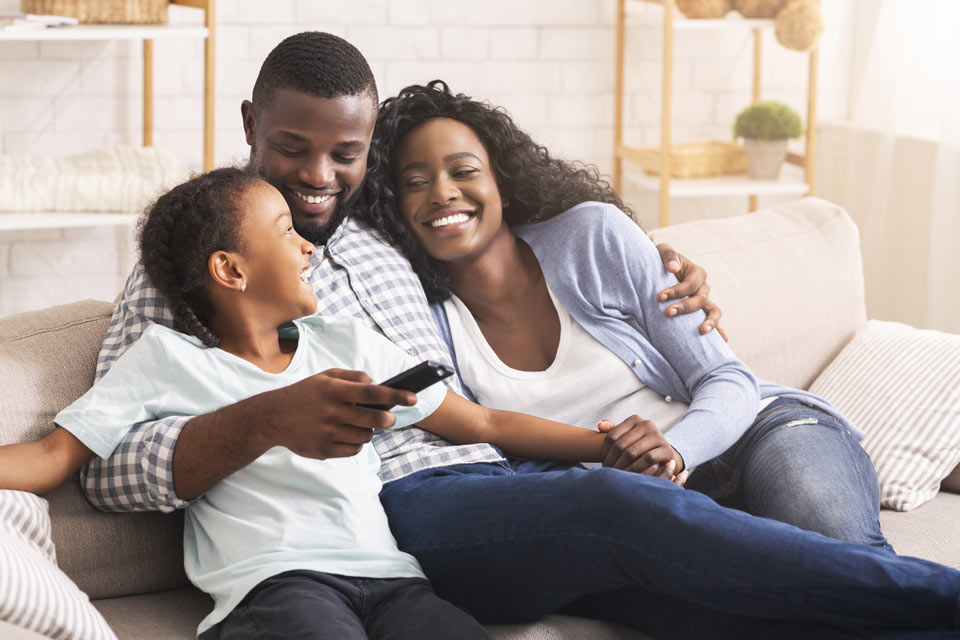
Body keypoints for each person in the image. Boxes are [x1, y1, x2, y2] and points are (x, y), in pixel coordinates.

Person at [78, 33, 960, 638]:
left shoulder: (392, 236)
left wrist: (664, 266)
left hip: (509, 483)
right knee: (618, 508)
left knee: (694, 599)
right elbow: (103, 468)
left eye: (344, 153)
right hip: (394, 518)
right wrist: (266, 419)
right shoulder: (194, 260)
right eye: (291, 148)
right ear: (248, 129)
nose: (318, 176)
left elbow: (504, 230)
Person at [0, 167, 632, 639]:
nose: (309, 246)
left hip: (395, 581)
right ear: (231, 270)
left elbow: (482, 422)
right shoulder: (167, 360)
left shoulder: (345, 342)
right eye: (285, 231)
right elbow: (54, 456)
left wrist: (606, 444)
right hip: (276, 587)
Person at [363, 80, 890, 549]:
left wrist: (672, 455)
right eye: (415, 181)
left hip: (755, 437)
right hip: (631, 506)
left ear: (500, 178)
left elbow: (728, 377)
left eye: (464, 170)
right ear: (394, 204)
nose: (443, 192)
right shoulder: (424, 320)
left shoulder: (592, 237)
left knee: (847, 556)